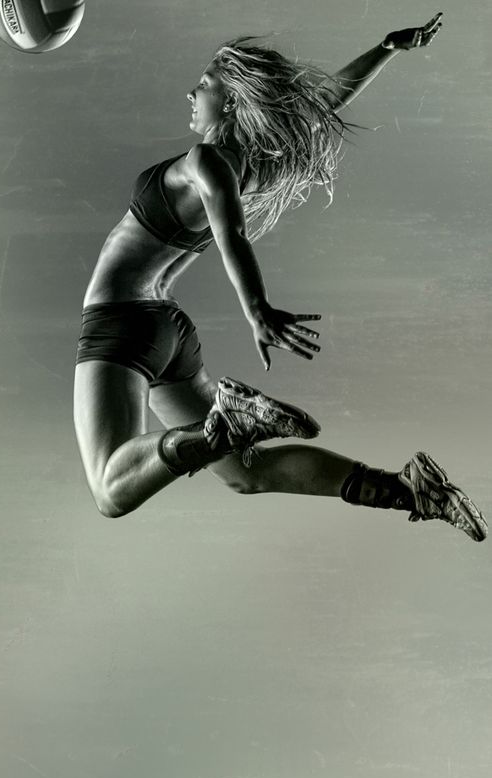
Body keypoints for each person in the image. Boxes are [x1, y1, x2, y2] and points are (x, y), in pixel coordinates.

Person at [73, 14, 488, 542]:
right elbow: (319, 108)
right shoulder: (249, 166)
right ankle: (410, 491)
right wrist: (385, 47)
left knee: (110, 490)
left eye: (203, 85)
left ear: (231, 101)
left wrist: (256, 308)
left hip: (122, 321)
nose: (191, 93)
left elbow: (233, 234)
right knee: (247, 473)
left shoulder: (207, 162)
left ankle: (224, 424)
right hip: (168, 331)